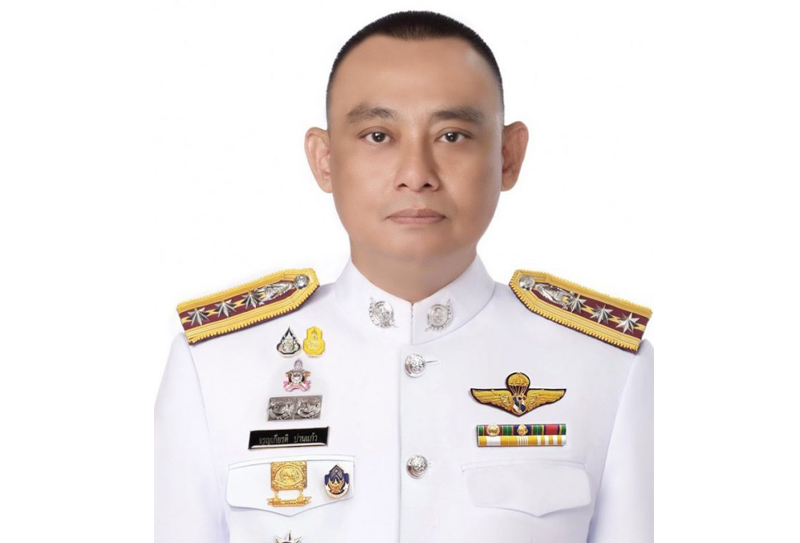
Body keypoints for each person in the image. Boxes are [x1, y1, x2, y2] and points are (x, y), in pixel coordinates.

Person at [155, 10, 653, 543]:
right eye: (378, 135)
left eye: (452, 136)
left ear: (508, 157)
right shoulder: (215, 365)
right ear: (324, 160)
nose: (416, 175)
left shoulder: (607, 366)